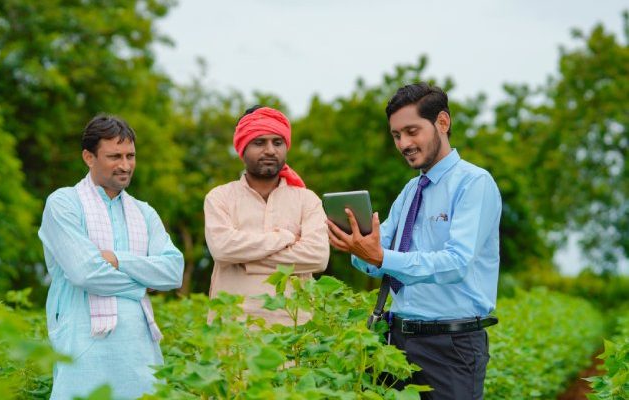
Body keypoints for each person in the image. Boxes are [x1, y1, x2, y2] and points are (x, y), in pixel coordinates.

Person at [327, 83, 501, 399]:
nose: (404, 143)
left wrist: (380, 257)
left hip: (453, 346)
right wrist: (357, 249)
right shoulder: (410, 192)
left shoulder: (474, 183)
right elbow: (383, 262)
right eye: (396, 136)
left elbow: (457, 263)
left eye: (412, 131)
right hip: (398, 343)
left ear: (442, 123)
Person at [38, 115, 184, 399]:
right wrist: (143, 285)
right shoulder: (64, 204)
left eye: (130, 156)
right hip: (82, 347)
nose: (125, 165)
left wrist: (118, 260)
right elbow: (85, 273)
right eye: (114, 156)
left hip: (138, 352)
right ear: (88, 157)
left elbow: (173, 270)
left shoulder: (144, 212)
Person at [204, 106, 330, 326]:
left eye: (277, 142)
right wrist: (285, 237)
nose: (270, 150)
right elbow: (222, 250)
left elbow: (317, 257)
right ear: (242, 148)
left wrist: (246, 259)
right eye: (259, 142)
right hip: (232, 330)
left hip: (293, 332)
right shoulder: (220, 197)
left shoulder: (307, 200)